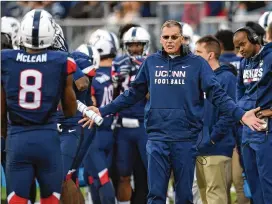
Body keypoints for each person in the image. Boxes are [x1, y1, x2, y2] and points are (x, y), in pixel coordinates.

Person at [79, 20, 264, 204]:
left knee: (183, 196)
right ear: (160, 39)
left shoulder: (197, 64)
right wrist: (102, 110)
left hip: (185, 140)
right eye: (166, 37)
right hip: (157, 138)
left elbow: (218, 95)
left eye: (174, 37)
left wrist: (240, 114)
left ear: (182, 39)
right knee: (156, 195)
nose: (169, 41)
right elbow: (132, 94)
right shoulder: (151, 62)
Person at [1, 9, 77, 204]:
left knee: (17, 200)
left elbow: (1, 111)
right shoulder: (62, 62)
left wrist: (7, 135)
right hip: (47, 139)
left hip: (17, 139)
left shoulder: (6, 59)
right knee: (50, 200)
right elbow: (70, 111)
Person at [194, 35, 236, 204]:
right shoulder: (198, 79)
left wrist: (211, 138)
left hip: (217, 148)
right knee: (204, 196)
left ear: (210, 55)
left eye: (198, 52)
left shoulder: (227, 78)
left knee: (216, 196)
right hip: (199, 147)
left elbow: (229, 113)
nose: (194, 55)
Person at [233, 26, 272, 204]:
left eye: (243, 44)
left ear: (255, 39)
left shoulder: (270, 57)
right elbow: (239, 91)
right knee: (252, 180)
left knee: (267, 181)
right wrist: (242, 112)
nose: (240, 50)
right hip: (248, 130)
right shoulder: (243, 62)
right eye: (237, 47)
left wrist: (269, 111)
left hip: (266, 129)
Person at [112, 26, 150, 204]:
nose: (135, 49)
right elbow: (112, 95)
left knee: (153, 172)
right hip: (122, 127)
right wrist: (117, 80)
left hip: (143, 124)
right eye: (131, 45)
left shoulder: (150, 63)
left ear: (145, 46)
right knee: (123, 174)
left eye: (138, 45)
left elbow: (152, 95)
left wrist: (141, 78)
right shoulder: (118, 63)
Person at [214, 29, 250, 204]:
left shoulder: (217, 67)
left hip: (224, 128)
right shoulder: (246, 61)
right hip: (243, 124)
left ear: (219, 46)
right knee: (241, 180)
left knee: (221, 183)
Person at [83, 37, 117, 204]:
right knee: (94, 176)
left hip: (94, 135)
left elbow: (91, 105)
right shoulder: (113, 74)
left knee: (100, 179)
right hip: (110, 131)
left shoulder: (93, 78)